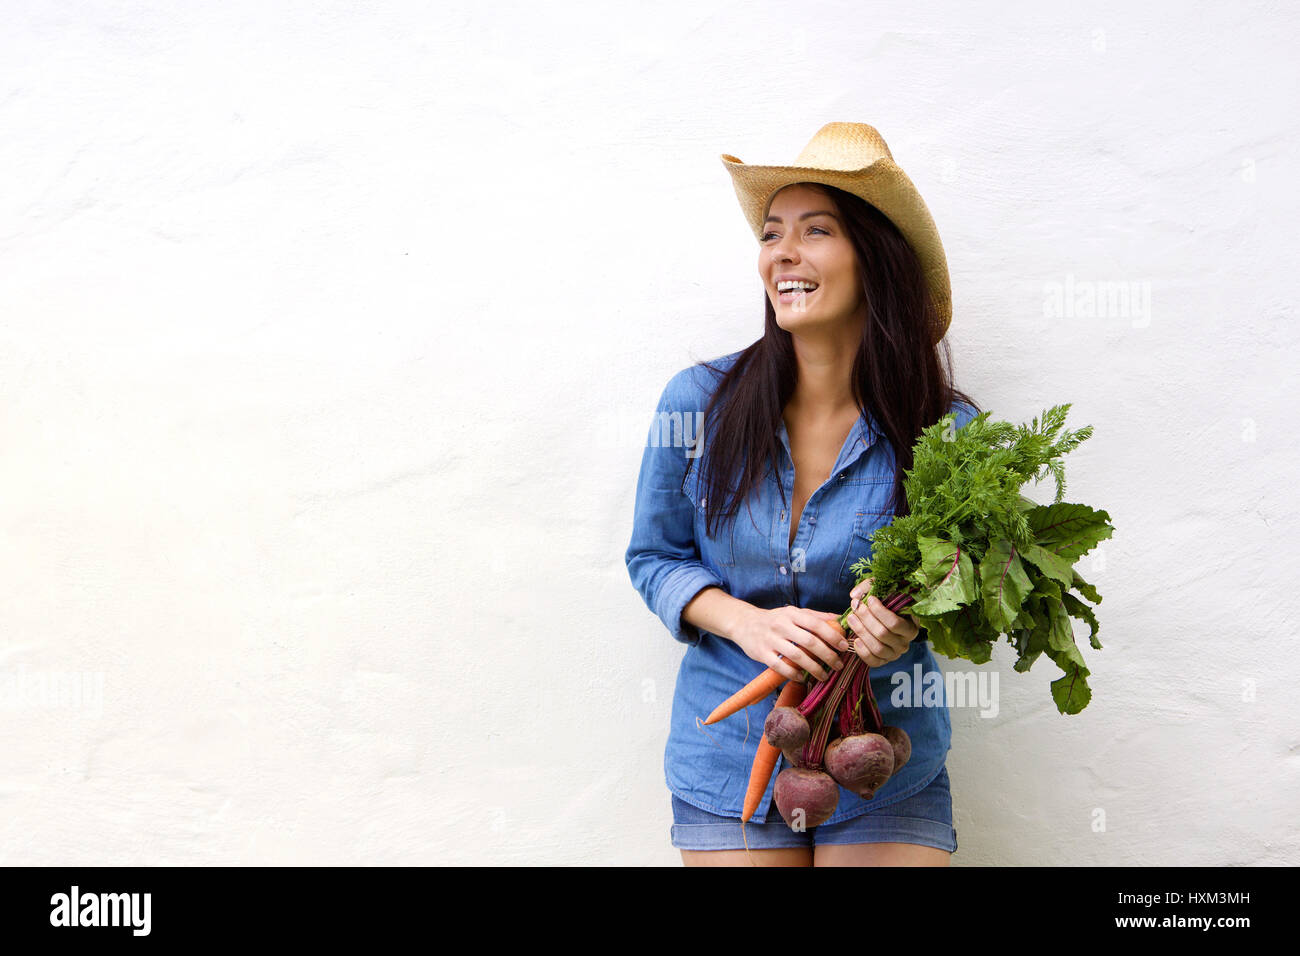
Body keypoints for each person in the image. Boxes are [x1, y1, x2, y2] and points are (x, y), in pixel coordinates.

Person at [625, 122, 982, 866]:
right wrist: (746, 624)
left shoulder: (948, 430)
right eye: (771, 232)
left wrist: (909, 627)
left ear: (875, 258)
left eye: (815, 231)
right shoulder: (696, 404)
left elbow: (969, 595)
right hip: (728, 756)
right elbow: (654, 556)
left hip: (884, 758)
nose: (781, 253)